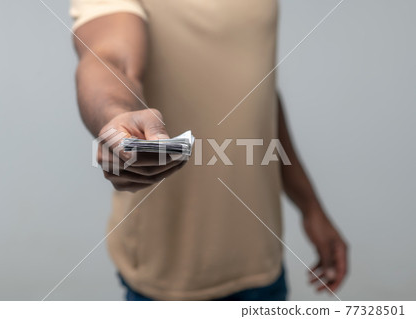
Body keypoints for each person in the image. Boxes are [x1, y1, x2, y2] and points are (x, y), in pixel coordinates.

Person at [70, 0, 348, 301]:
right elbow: (111, 59)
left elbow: (258, 92)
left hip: (262, 261)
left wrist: (310, 207)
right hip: (169, 275)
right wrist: (115, 117)